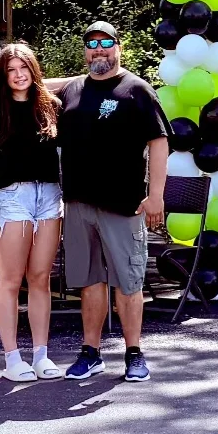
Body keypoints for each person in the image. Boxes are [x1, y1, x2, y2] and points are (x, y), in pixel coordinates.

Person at [55, 21, 168, 382]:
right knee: (89, 281)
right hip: (78, 204)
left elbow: (159, 142)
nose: (98, 50)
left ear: (119, 47)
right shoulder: (73, 90)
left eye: (106, 43)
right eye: (91, 44)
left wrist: (156, 195)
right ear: (85, 51)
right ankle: (91, 353)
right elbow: (32, 86)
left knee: (128, 282)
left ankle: (134, 353)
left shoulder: (137, 90)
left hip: (123, 204)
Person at [0, 44, 65, 382]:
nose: (19, 75)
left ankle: (41, 355)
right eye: (11, 70)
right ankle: (12, 358)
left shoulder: (51, 106)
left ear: (34, 70)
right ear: (3, 75)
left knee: (40, 277)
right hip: (13, 196)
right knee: (11, 279)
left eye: (24, 68)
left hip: (49, 195)